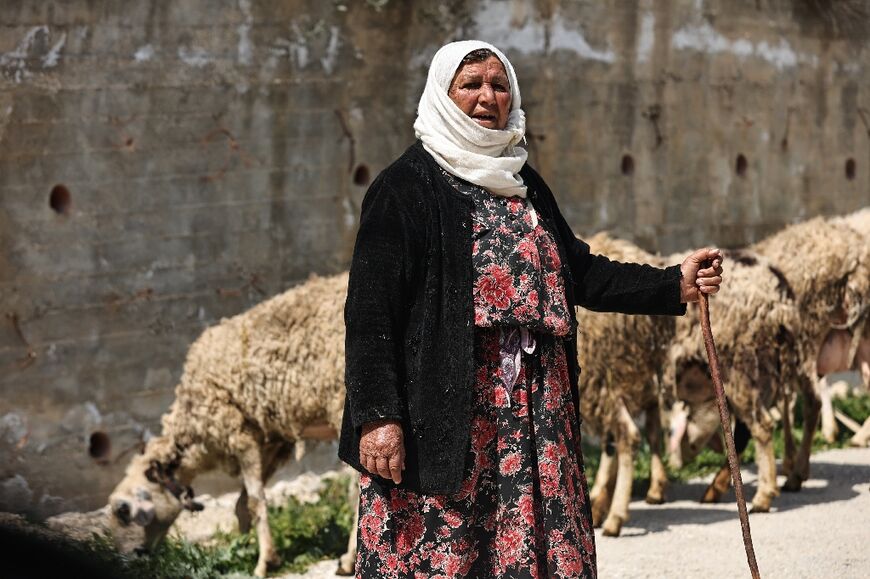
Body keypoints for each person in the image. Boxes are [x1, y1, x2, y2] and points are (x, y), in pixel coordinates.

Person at [337, 40, 723, 578]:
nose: (487, 97)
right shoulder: (404, 188)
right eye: (471, 85)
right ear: (443, 94)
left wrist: (670, 284)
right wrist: (377, 417)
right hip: (445, 417)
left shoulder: (523, 182)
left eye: (499, 85)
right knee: (445, 555)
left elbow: (580, 271)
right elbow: (370, 316)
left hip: (535, 416)